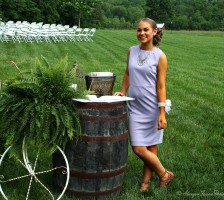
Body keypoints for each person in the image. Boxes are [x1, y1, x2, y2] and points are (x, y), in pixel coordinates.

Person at [114, 18, 174, 191]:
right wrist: (123, 92)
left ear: (155, 32)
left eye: (146, 30)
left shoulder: (160, 56)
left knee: (150, 147)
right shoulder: (131, 51)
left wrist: (162, 112)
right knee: (138, 148)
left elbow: (161, 85)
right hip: (134, 106)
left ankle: (145, 184)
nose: (142, 33)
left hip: (152, 107)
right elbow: (127, 73)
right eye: (139, 30)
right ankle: (164, 174)